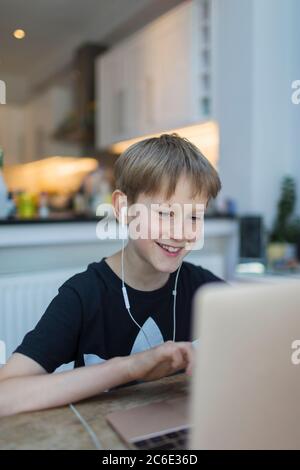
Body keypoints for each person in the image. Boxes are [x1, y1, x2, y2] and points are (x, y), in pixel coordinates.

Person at [0, 133, 222, 417]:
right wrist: (128, 366)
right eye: (165, 214)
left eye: (193, 216)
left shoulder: (206, 290)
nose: (180, 233)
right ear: (123, 208)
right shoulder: (83, 296)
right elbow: (5, 396)